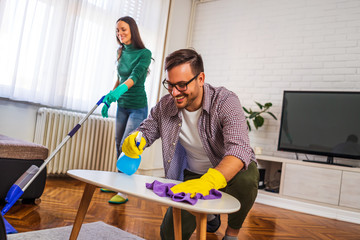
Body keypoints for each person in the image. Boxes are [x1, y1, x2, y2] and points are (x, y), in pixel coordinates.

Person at [121, 49, 259, 240]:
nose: (175, 92)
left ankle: (232, 233)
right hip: (192, 175)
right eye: (170, 85)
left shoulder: (225, 101)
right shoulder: (166, 105)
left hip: (227, 175)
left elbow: (239, 149)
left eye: (182, 85)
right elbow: (148, 128)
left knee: (248, 177)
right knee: (169, 235)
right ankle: (210, 215)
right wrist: (137, 139)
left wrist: (209, 182)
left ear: (200, 79)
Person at [101, 16, 152, 204]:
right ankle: (117, 184)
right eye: (117, 30)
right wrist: (111, 96)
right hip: (122, 105)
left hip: (138, 107)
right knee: (117, 144)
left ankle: (124, 192)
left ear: (132, 30)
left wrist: (122, 89)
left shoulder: (145, 54)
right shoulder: (120, 51)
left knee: (127, 146)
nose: (119, 33)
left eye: (123, 29)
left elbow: (135, 76)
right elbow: (120, 77)